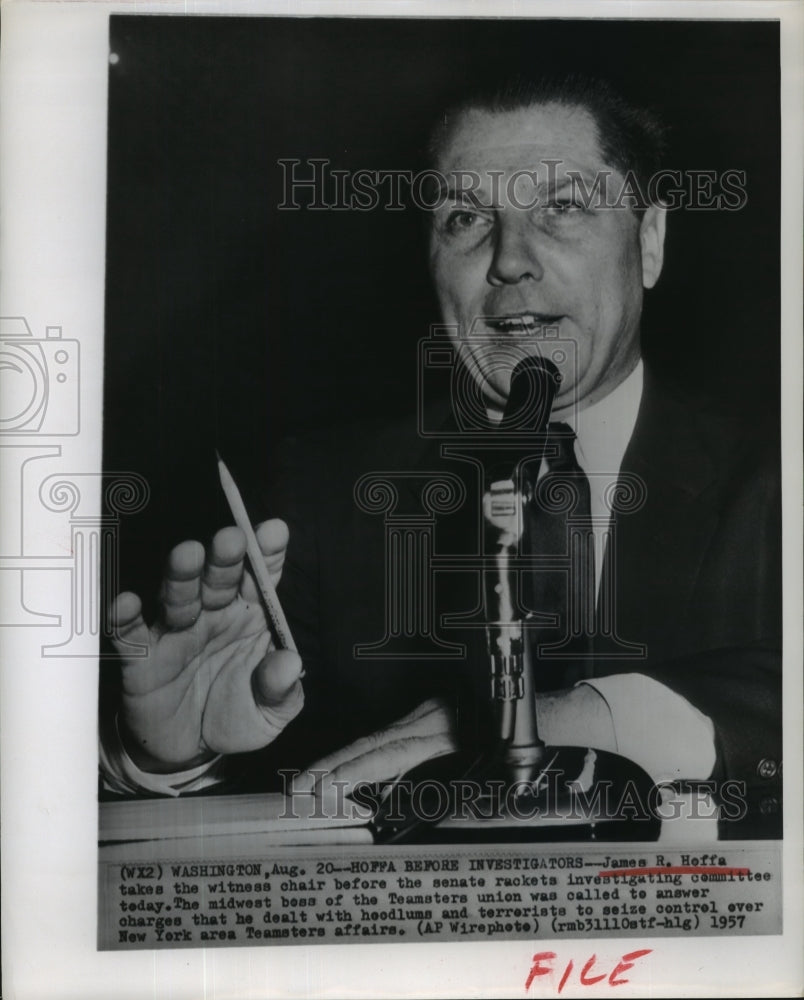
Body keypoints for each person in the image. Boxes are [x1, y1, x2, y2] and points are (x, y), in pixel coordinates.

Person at [101, 76, 781, 834]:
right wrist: (172, 756)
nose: (510, 260)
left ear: (649, 242)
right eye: (465, 217)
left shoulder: (780, 475)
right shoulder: (319, 494)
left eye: (562, 207)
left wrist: (589, 717)